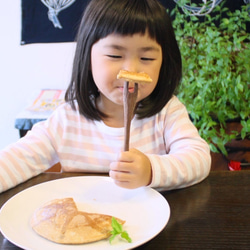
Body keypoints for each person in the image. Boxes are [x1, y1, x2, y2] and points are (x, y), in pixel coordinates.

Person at [0, 0, 211, 193]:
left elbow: (199, 159)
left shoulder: (167, 113)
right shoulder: (66, 120)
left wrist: (151, 170)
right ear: (88, 56)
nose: (131, 70)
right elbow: (16, 160)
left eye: (146, 57)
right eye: (115, 55)